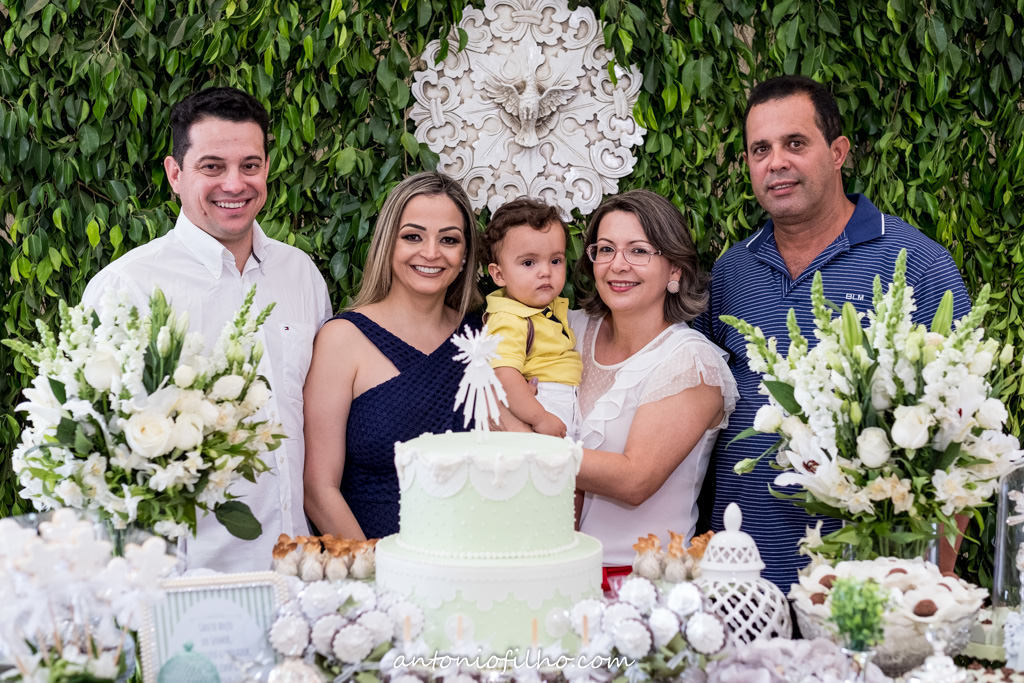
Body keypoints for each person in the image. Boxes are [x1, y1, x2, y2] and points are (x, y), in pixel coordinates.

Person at [694, 75, 971, 589]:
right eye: (760, 149)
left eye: (795, 143)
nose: (776, 162)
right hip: (737, 581)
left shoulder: (917, 265)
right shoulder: (732, 273)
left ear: (838, 151)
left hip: (863, 587)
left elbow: (960, 438)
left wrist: (928, 587)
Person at [81, 87, 332, 572]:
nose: (234, 184)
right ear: (175, 174)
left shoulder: (301, 274)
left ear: (266, 167)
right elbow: (98, 453)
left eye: (250, 165)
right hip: (187, 579)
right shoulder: (126, 288)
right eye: (212, 167)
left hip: (299, 569)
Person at [567, 189, 737, 593]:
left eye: (639, 251)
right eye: (605, 249)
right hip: (549, 571)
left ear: (674, 270)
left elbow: (634, 480)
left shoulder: (691, 362)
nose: (617, 264)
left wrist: (524, 450)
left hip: (642, 587)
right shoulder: (566, 331)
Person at [303, 172, 483, 540]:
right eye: (413, 236)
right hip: (371, 562)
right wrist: (374, 567)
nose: (431, 252)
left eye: (449, 239)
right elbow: (318, 491)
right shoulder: (342, 340)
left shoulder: (482, 339)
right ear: (388, 243)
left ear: (465, 255)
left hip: (475, 556)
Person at [480, 197, 582, 438]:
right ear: (499, 274)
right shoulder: (509, 319)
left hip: (557, 399)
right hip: (538, 402)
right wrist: (540, 418)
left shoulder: (543, 309)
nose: (545, 271)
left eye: (555, 260)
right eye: (528, 263)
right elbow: (504, 376)